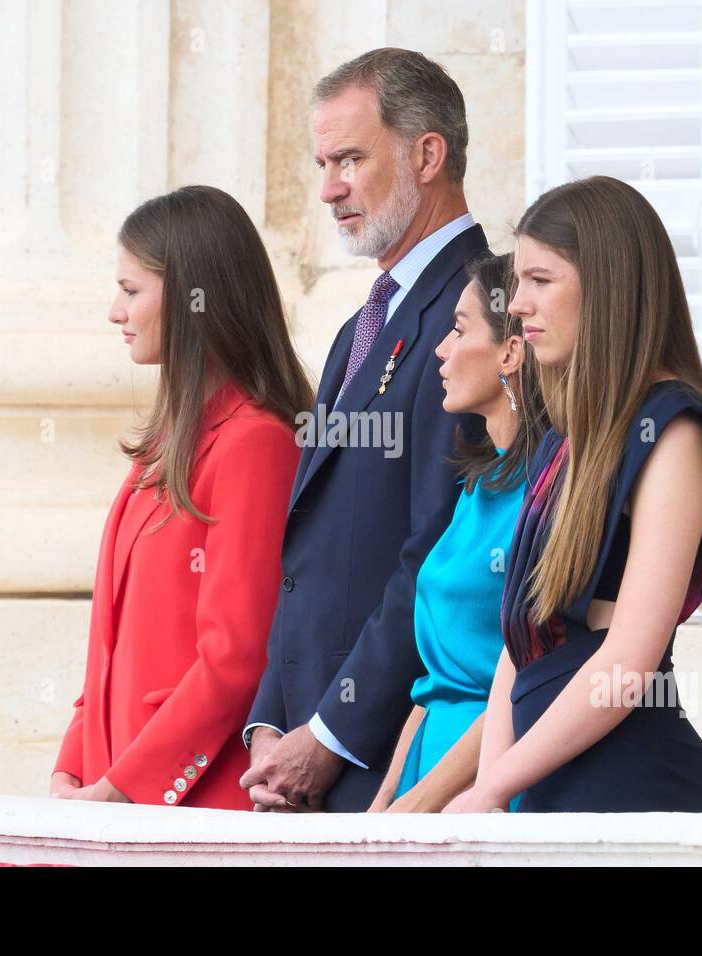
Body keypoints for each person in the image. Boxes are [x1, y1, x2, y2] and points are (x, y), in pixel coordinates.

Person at [240, 48, 490, 812]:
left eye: (349, 159)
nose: (328, 190)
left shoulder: (481, 311)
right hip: (300, 757)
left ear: (427, 154)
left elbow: (437, 549)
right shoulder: (359, 326)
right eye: (322, 163)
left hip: (386, 760)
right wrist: (270, 719)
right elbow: (310, 550)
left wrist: (331, 732)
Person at [445, 176, 702, 814]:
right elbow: (520, 636)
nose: (517, 304)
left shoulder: (674, 432)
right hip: (549, 788)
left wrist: (494, 786)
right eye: (517, 281)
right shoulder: (566, 438)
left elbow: (629, 661)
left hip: (634, 793)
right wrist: (494, 786)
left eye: (541, 280)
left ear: (609, 287)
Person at [50, 185, 311, 809]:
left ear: (197, 299)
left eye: (132, 290)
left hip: (193, 808)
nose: (116, 311)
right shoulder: (163, 445)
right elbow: (109, 645)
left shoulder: (255, 443)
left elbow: (235, 659)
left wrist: (121, 787)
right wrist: (73, 765)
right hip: (116, 799)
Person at [368, 252, 546, 813]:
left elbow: (524, 679)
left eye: (459, 328)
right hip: (426, 768)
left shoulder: (545, 497)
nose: (441, 349)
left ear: (510, 353)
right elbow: (431, 684)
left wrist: (424, 803)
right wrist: (385, 805)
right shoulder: (476, 486)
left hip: (488, 777)